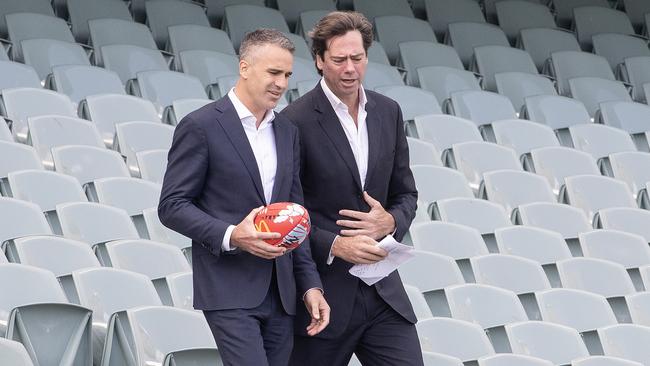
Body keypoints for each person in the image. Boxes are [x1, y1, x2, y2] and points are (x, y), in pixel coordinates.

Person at [158, 29, 330, 366]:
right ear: (245, 67)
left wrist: (311, 285)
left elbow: (297, 215)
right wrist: (233, 235)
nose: (281, 83)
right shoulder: (201, 125)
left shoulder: (287, 131)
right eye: (273, 72)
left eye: (287, 75)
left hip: (282, 293)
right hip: (229, 288)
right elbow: (172, 206)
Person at [281, 11, 424, 366]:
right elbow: (286, 210)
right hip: (323, 296)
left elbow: (407, 194)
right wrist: (335, 244)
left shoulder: (388, 112)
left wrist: (389, 222)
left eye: (357, 59)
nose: (350, 69)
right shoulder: (292, 122)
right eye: (339, 59)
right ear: (318, 60)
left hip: (383, 293)